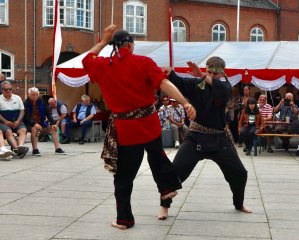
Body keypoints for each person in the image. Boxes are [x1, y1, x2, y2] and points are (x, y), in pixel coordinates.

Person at [81, 25, 196, 230]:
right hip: (149, 123)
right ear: (131, 45)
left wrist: (104, 40)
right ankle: (167, 187)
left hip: (126, 129)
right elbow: (163, 84)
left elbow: (86, 59)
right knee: (156, 153)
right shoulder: (144, 62)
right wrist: (184, 102)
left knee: (124, 176)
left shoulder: (101, 65)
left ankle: (124, 220)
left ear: (113, 46)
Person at [159, 56, 252, 220]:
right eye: (209, 72)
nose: (211, 76)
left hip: (220, 139)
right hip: (196, 137)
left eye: (214, 74)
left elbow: (221, 91)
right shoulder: (196, 85)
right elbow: (180, 83)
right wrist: (171, 73)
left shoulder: (225, 87)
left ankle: (239, 204)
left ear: (221, 74)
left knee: (239, 173)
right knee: (173, 172)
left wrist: (202, 74)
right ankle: (164, 207)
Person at [23, 87, 66, 156]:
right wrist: (34, 124)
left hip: (41, 122)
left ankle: (57, 148)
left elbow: (48, 113)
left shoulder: (41, 102)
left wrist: (53, 123)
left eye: (36, 94)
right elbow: (26, 117)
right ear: (29, 95)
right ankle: (35, 149)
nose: (35, 96)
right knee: (35, 129)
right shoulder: (25, 103)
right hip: (29, 124)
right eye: (33, 94)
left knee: (53, 128)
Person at [0, 81, 29, 158]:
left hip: (16, 121)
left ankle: (20, 147)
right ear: (2, 90)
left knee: (23, 130)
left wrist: (18, 121)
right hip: (3, 122)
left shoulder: (17, 98)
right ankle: (17, 149)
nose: (8, 91)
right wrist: (5, 121)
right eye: (6, 89)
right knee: (8, 132)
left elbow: (22, 111)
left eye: (10, 89)